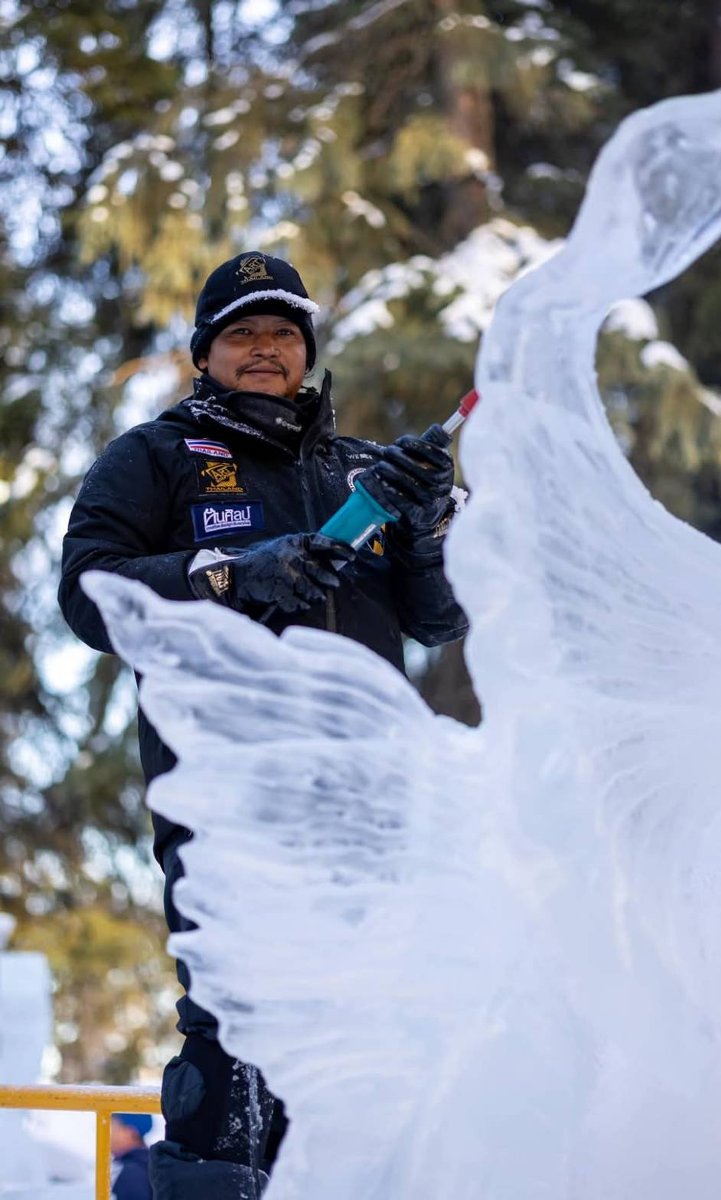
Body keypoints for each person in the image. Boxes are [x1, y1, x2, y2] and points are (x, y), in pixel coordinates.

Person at [58, 251, 468, 1198]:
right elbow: (87, 596)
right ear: (205, 353)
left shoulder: (367, 469)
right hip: (225, 793)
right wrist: (234, 572)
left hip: (367, 799)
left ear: (306, 351)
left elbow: (438, 620)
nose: (264, 349)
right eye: (241, 331)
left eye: (282, 332)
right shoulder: (156, 456)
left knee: (364, 1028)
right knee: (237, 1031)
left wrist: (425, 530)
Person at [111, 1113, 153, 1200]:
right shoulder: (149, 1165)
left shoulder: (132, 1174)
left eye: (113, 1126)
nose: (109, 1135)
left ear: (130, 1132)